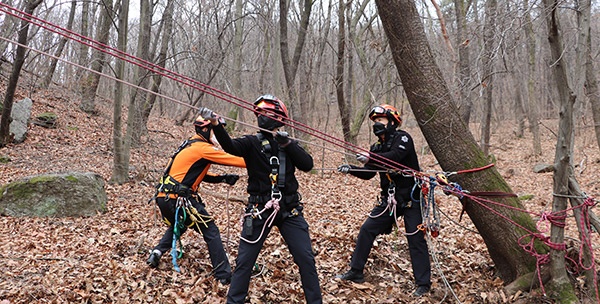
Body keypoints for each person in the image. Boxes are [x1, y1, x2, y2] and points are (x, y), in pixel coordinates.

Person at [198, 94, 322, 304]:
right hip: (259, 209)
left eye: (267, 113)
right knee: (245, 261)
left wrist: (288, 144)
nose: (262, 117)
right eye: (260, 113)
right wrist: (217, 124)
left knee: (306, 259)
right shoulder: (251, 143)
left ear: (279, 118)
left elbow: (307, 165)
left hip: (289, 210)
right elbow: (231, 147)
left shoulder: (288, 144)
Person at [335, 104, 432, 297]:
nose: (377, 124)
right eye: (375, 121)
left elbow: (394, 158)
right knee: (367, 229)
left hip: (412, 198)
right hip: (390, 199)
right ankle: (356, 271)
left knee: (415, 239)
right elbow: (370, 173)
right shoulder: (377, 147)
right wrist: (352, 168)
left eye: (381, 120)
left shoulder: (403, 138)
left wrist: (370, 157)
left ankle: (423, 283)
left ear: (392, 122)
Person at [147, 115, 246, 285]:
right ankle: (224, 275)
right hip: (179, 199)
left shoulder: (189, 144)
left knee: (180, 224)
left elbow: (195, 174)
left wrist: (222, 178)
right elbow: (237, 161)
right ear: (206, 129)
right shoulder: (203, 148)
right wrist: (261, 161)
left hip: (165, 197)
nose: (219, 136)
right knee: (211, 231)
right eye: (216, 131)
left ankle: (157, 252)